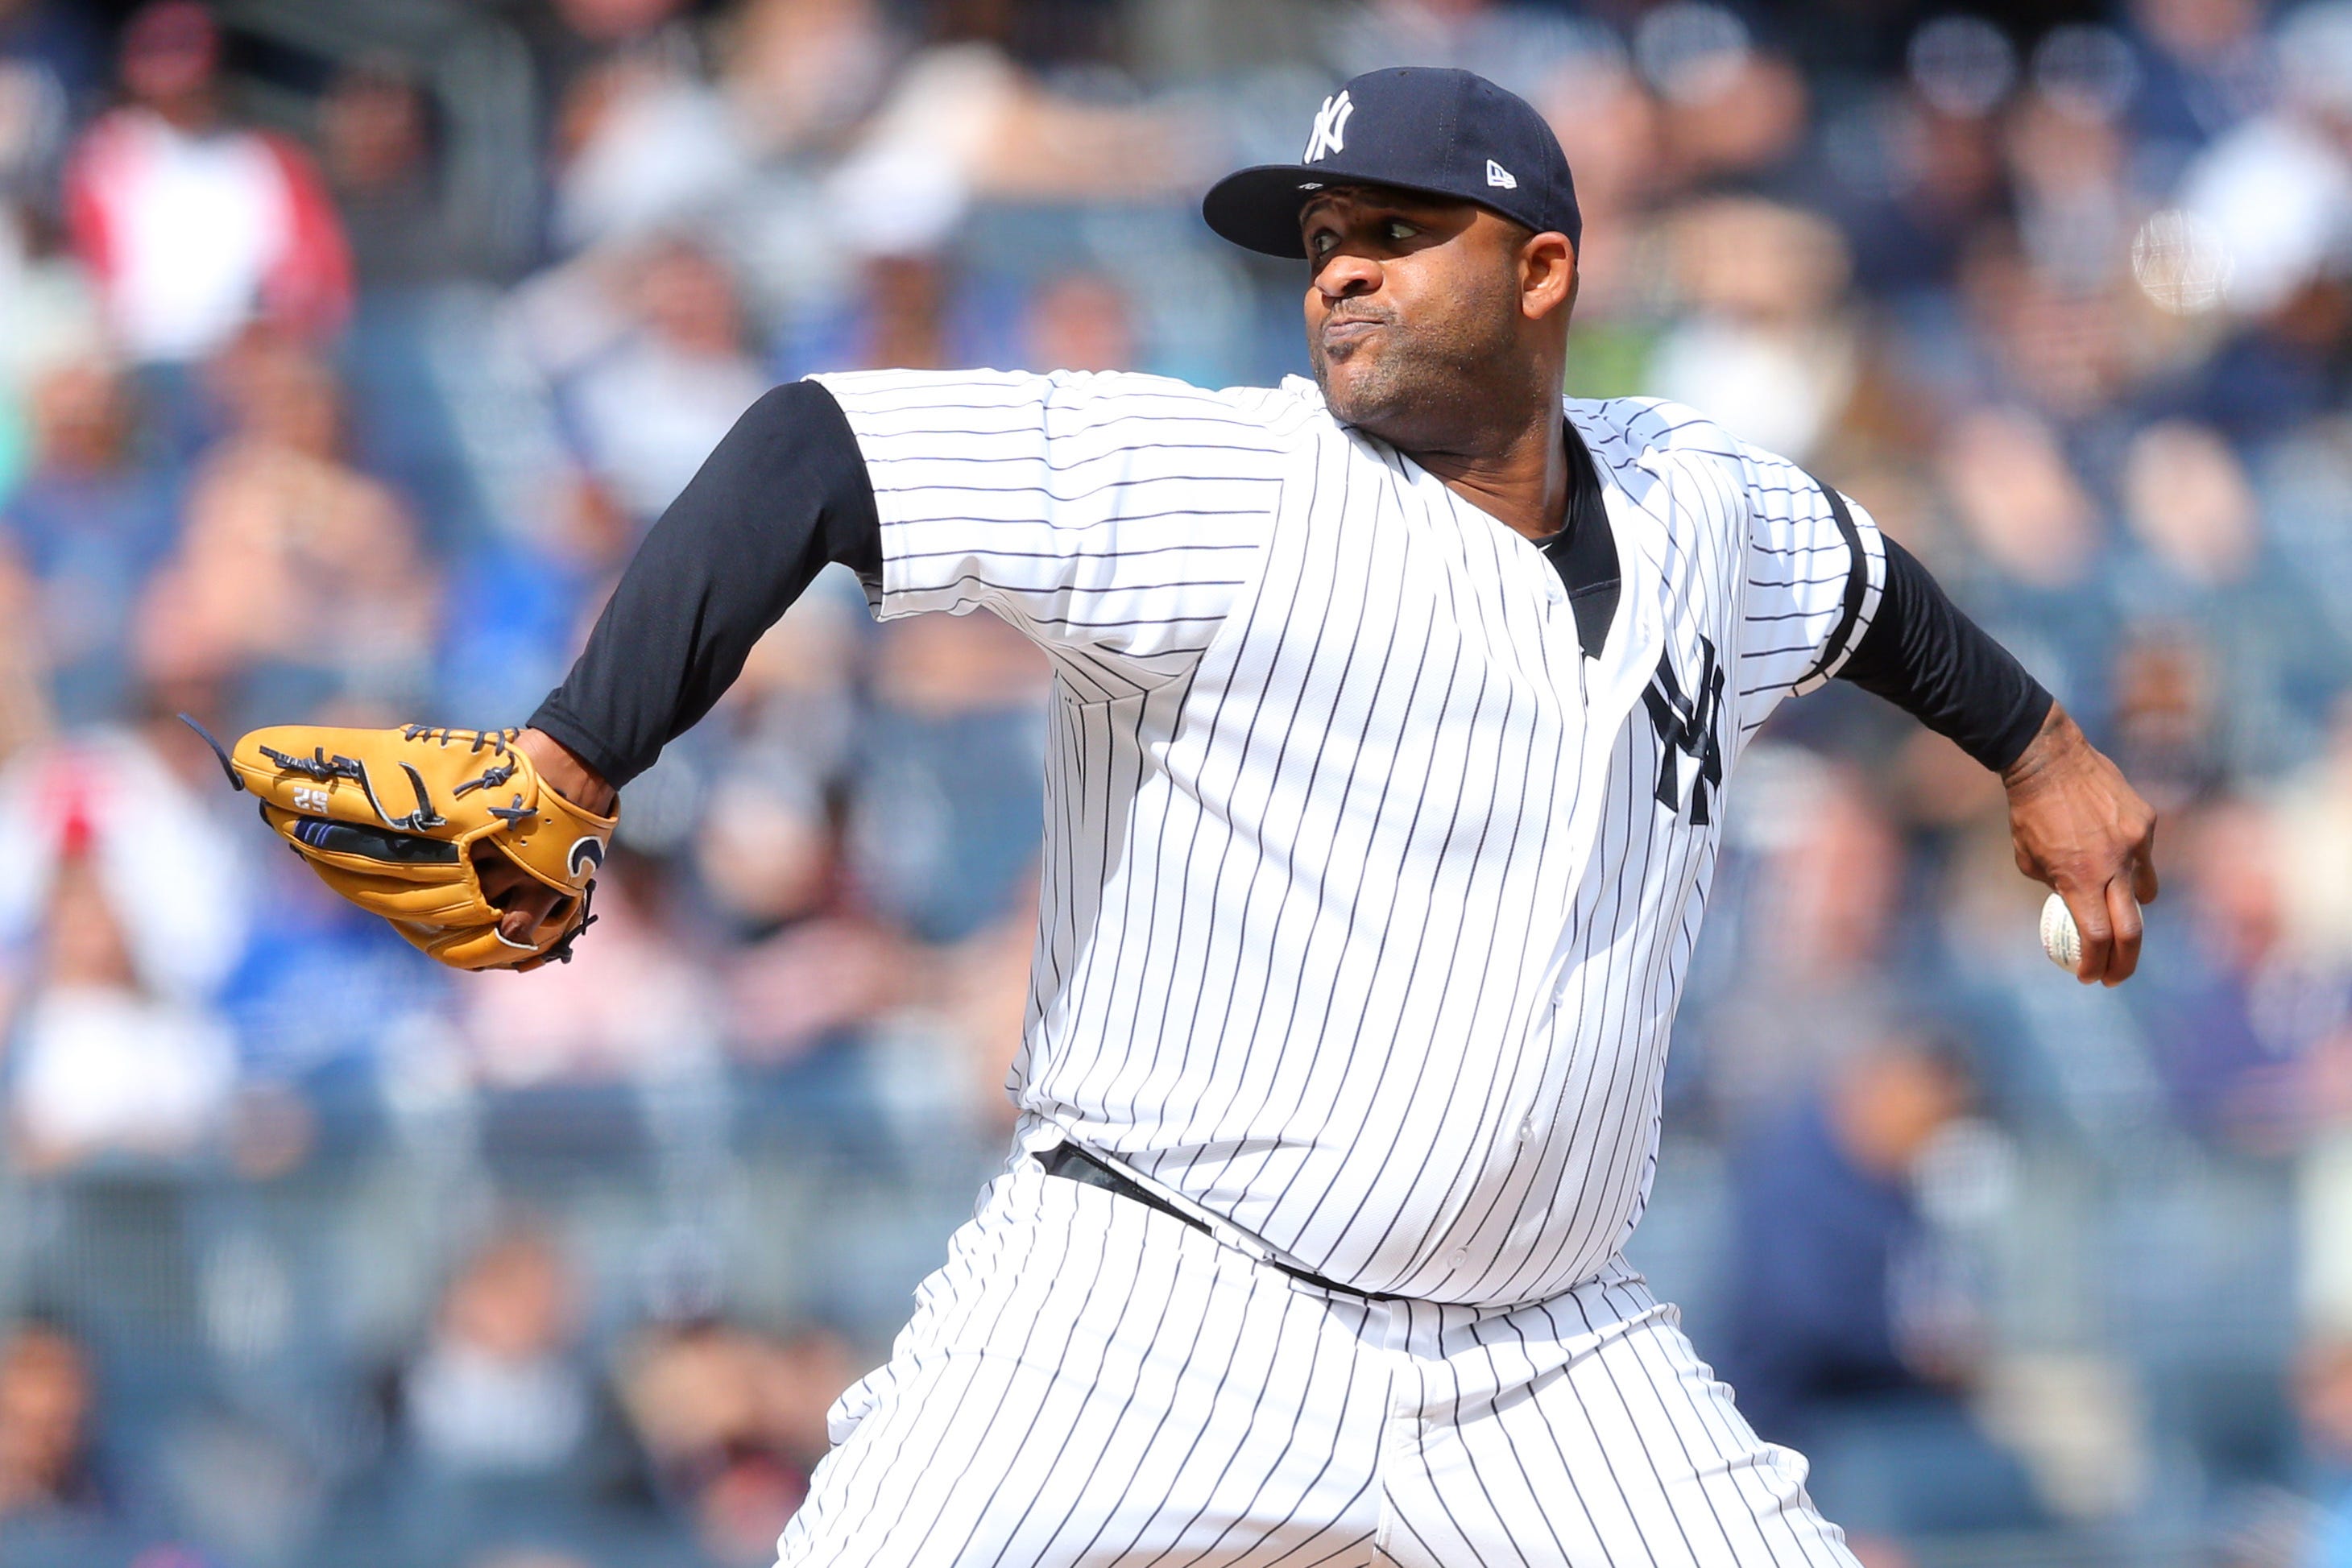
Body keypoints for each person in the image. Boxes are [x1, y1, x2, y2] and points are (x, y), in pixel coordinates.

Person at [289, 68, 2161, 1565]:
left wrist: (2043, 749)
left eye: (1395, 231)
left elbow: (1863, 590)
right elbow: (817, 448)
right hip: (1149, 1301)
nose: (1336, 267)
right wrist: (568, 761)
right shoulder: (1229, 482)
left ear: (1540, 271)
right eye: (1322, 237)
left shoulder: (1701, 501)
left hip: (1541, 1351)